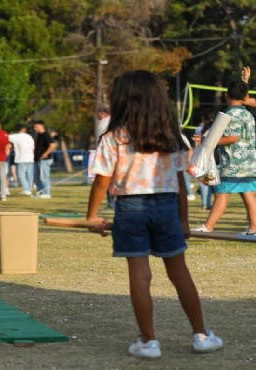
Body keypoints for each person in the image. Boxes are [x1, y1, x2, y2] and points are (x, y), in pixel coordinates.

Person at [86, 70, 223, 359]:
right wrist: (183, 220)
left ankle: (149, 342)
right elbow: (181, 185)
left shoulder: (113, 138)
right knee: (179, 271)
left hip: (130, 207)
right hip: (166, 206)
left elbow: (101, 180)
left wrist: (92, 215)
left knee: (139, 275)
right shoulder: (171, 137)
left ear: (122, 100)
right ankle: (201, 335)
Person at [191, 80, 256, 234]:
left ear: (226, 95)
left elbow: (233, 138)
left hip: (233, 165)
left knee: (221, 195)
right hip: (249, 164)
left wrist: (206, 140)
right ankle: (253, 228)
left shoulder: (229, 114)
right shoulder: (248, 114)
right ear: (246, 97)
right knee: (248, 194)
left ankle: (208, 227)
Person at [95, 104, 116, 208]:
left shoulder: (104, 123)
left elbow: (102, 139)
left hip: (108, 155)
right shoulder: (114, 121)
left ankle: (111, 203)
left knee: (107, 180)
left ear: (101, 113)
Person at [8, 125, 35, 196]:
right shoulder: (29, 137)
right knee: (29, 175)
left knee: (21, 174)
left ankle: (26, 189)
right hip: (30, 158)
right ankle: (29, 189)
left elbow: (6, 137)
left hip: (22, 158)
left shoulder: (17, 136)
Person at [32, 120, 56, 199]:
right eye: (34, 127)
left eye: (36, 127)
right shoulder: (39, 135)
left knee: (44, 177)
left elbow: (52, 145)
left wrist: (45, 154)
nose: (35, 128)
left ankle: (46, 193)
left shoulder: (45, 135)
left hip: (44, 160)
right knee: (37, 177)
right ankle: (41, 192)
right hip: (37, 159)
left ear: (41, 126)